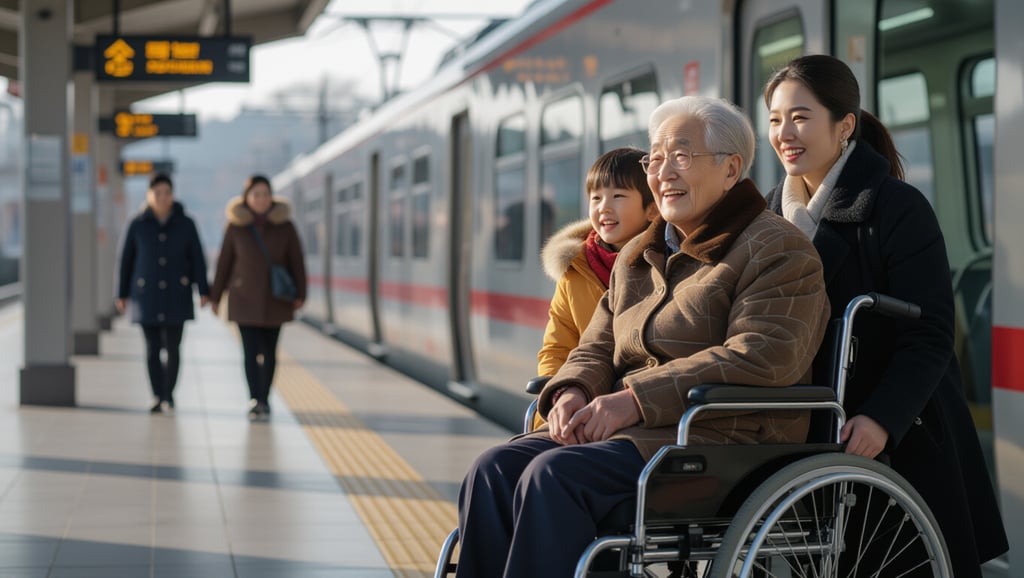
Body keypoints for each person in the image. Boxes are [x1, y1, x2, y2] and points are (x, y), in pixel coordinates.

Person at [455, 96, 830, 578]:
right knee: (493, 469)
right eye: (656, 157)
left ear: (731, 168)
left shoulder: (778, 248)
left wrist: (633, 399)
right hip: (635, 434)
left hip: (722, 439)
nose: (663, 172)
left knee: (552, 477)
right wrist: (574, 389)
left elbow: (762, 354)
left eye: (681, 155)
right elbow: (596, 344)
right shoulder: (638, 253)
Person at [763, 53, 1008, 576]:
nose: (785, 133)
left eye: (801, 117)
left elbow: (932, 332)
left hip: (900, 434)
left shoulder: (897, 207)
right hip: (815, 431)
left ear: (844, 125)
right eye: (775, 119)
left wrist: (882, 418)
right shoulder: (768, 215)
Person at [537, 147, 658, 377]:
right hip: (585, 396)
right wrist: (556, 397)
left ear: (652, 209)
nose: (604, 207)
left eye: (618, 196)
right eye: (596, 198)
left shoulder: (667, 261)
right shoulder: (575, 271)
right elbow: (556, 350)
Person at [210, 175, 306, 418]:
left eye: (265, 194)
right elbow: (224, 263)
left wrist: (301, 293)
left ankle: (265, 397)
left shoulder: (285, 226)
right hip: (244, 299)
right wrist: (215, 296)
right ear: (247, 198)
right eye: (256, 194)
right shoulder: (235, 226)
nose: (261, 199)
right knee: (251, 352)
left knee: (270, 352)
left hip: (276, 299)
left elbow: (297, 261)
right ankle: (255, 399)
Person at [116, 173, 209, 414]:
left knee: (174, 348)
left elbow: (197, 258)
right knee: (152, 348)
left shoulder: (186, 223)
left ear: (173, 195)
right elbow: (126, 260)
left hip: (177, 293)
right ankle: (157, 395)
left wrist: (203, 290)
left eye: (166, 192)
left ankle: (170, 394)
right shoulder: (137, 224)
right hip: (145, 296)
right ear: (149, 195)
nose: (162, 197)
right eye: (157, 193)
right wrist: (122, 293)